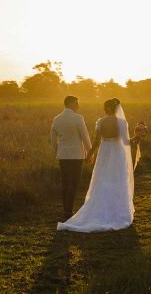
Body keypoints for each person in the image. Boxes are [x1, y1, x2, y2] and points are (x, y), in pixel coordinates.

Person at [57, 97, 143, 233]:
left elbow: (96, 142)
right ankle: (117, 210)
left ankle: (100, 207)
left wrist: (89, 155)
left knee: (102, 179)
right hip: (118, 153)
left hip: (104, 152)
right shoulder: (122, 122)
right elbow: (126, 143)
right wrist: (136, 137)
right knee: (118, 179)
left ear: (106, 108)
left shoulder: (101, 122)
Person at [50, 95, 92, 221]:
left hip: (63, 155)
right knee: (74, 182)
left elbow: (53, 138)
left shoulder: (57, 118)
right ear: (70, 103)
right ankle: (68, 211)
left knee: (65, 182)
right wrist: (90, 152)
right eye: (76, 103)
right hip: (76, 155)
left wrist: (57, 151)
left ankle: (66, 209)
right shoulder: (78, 118)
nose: (78, 105)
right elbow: (85, 136)